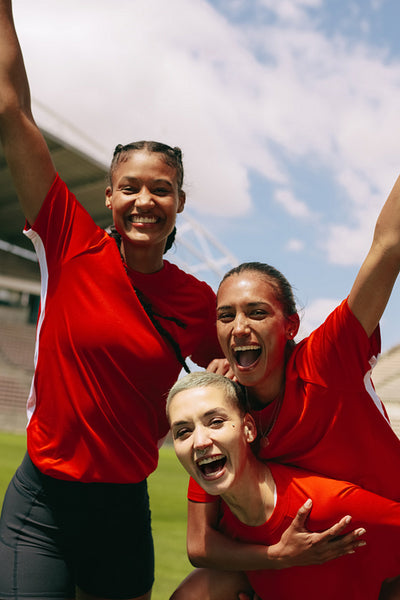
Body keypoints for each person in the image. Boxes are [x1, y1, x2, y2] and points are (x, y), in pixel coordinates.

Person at [0, 3, 361, 598]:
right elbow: (12, 109)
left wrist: (227, 374)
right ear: (109, 198)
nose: (146, 200)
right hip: (43, 504)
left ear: (180, 203)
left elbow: (259, 376)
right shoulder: (69, 242)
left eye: (161, 189)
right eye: (131, 188)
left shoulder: (200, 304)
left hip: (120, 510)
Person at [181, 173, 400, 599]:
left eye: (256, 312)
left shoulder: (327, 360)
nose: (239, 326)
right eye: (226, 316)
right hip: (304, 553)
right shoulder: (221, 412)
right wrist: (277, 557)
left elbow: (388, 246)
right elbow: (199, 544)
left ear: (290, 325)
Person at [167, 371, 400, 600]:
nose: (199, 442)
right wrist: (276, 557)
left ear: (248, 429)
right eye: (183, 432)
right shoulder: (224, 515)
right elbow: (199, 549)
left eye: (216, 422)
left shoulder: (322, 505)